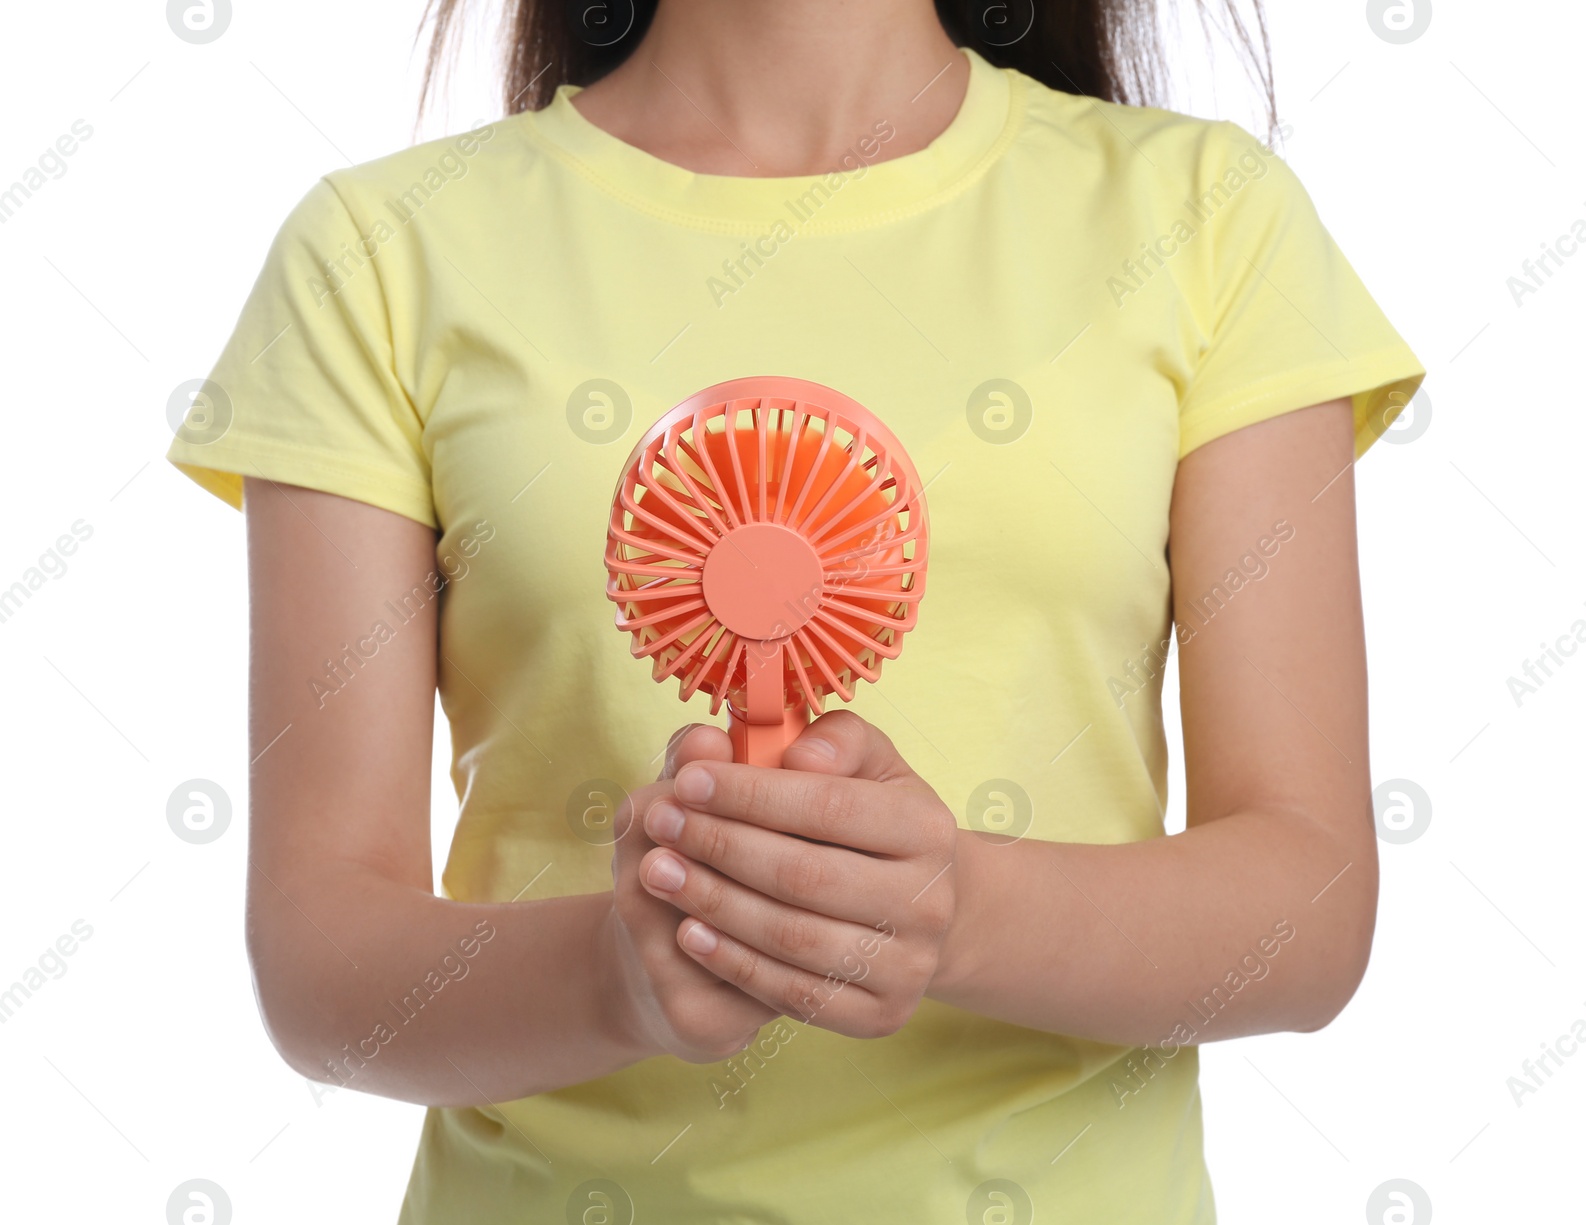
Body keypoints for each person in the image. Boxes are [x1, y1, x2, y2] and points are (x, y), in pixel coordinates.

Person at [164, 0, 1426, 1220]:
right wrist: (613, 977)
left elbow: (1306, 903)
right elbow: (321, 957)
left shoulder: (1207, 219)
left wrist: (965, 910)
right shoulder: (379, 253)